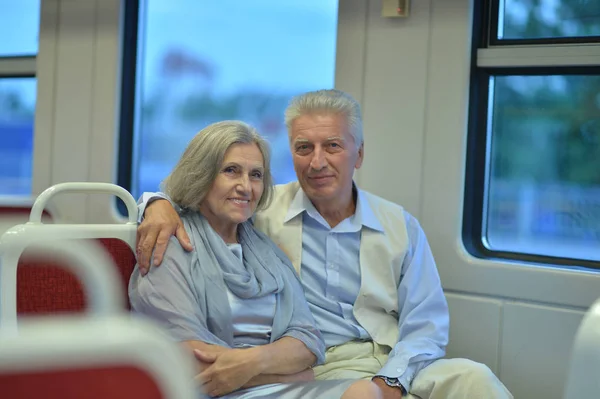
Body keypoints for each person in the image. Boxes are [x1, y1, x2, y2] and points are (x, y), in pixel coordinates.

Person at [136, 90, 513, 399]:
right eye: (303, 148)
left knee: (474, 379)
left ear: (359, 154)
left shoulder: (400, 225)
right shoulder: (261, 214)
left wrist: (393, 380)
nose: (317, 162)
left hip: (394, 360)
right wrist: (156, 204)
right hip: (319, 364)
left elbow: (426, 326)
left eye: (332, 146)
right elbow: (202, 197)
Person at [129, 121, 381, 399]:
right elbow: (191, 360)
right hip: (212, 393)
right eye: (231, 171)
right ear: (201, 175)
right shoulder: (170, 244)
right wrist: (292, 372)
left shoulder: (265, 250)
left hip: (273, 386)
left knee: (366, 392)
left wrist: (254, 362)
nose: (245, 187)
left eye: (256, 175)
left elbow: (308, 343)